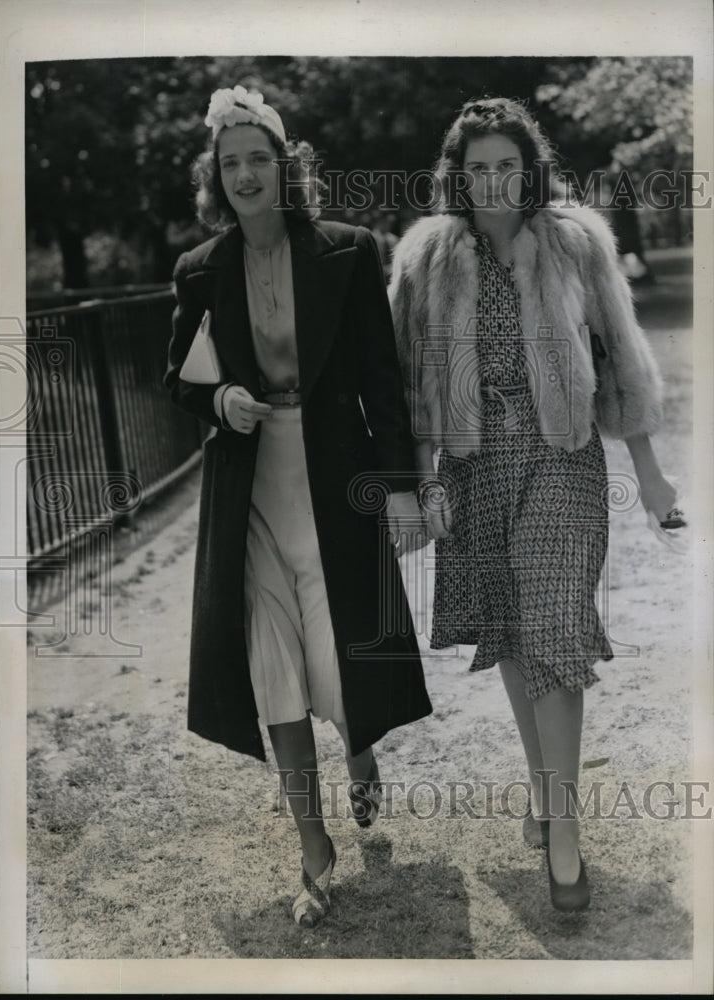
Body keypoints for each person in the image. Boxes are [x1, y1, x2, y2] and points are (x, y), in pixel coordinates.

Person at [389, 97, 685, 913]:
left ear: (531, 170)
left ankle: (562, 825)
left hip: (563, 456)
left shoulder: (576, 242)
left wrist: (652, 476)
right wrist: (422, 483)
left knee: (553, 621)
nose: (492, 182)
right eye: (476, 168)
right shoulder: (425, 257)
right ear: (458, 176)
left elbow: (623, 358)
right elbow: (410, 382)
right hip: (474, 467)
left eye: (506, 166)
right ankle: (543, 782)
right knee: (514, 631)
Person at [164, 85, 432, 927]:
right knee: (270, 663)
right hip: (248, 495)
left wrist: (398, 493)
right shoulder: (199, 271)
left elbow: (382, 385)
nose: (245, 174)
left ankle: (359, 755)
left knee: (339, 654)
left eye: (259, 159)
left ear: (286, 169)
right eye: (230, 162)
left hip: (331, 481)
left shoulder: (348, 253)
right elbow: (179, 378)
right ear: (218, 177)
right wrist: (220, 402)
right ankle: (312, 843)